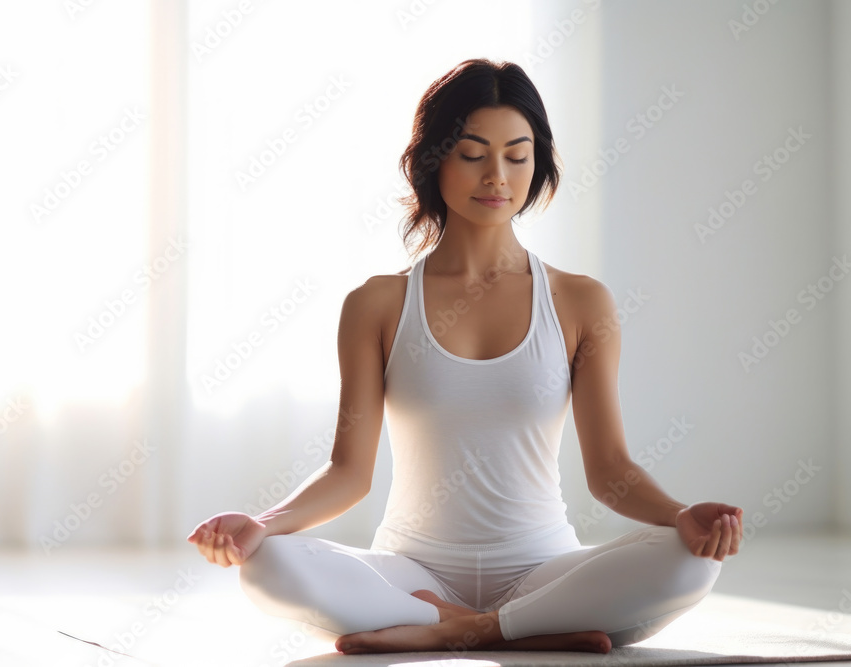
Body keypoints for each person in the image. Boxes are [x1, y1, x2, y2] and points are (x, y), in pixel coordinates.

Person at [188, 58, 744, 656]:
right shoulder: (376, 304)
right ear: (433, 159)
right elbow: (349, 474)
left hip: (542, 569)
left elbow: (610, 473)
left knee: (691, 563)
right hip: (414, 573)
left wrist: (681, 515)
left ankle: (462, 629)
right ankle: (533, 629)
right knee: (267, 566)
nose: (497, 176)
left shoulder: (581, 301)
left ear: (539, 162)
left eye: (517, 154)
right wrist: (263, 525)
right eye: (473, 153)